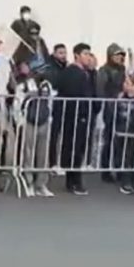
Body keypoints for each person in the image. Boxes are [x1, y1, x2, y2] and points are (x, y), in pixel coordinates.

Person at [54, 43, 96, 195]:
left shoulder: (85, 73)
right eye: (85, 54)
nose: (88, 57)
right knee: (73, 148)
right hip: (75, 116)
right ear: (77, 55)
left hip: (81, 116)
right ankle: (73, 181)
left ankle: (73, 179)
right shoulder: (72, 73)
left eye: (89, 54)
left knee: (78, 149)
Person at [13, 61, 54, 197]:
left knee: (44, 154)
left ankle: (41, 184)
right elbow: (17, 104)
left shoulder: (47, 85)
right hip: (28, 122)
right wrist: (20, 121)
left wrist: (50, 118)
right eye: (41, 70)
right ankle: (29, 182)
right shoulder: (23, 85)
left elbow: (50, 102)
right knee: (28, 154)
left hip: (44, 121)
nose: (44, 73)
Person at [96, 43, 127, 181]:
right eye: (117, 55)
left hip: (122, 108)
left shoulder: (123, 70)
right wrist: (111, 100)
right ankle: (106, 170)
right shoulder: (104, 70)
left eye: (121, 55)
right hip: (110, 107)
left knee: (121, 140)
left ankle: (120, 168)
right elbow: (100, 89)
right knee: (108, 139)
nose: (120, 57)